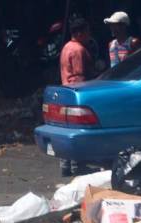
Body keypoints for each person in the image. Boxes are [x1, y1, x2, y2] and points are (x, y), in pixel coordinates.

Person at [59, 18, 94, 176]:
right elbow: (79, 76)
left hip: (65, 90)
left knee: (67, 129)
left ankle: (66, 163)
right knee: (77, 131)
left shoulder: (66, 47)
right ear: (79, 33)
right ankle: (77, 164)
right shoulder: (78, 50)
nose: (88, 35)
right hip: (76, 92)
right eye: (87, 32)